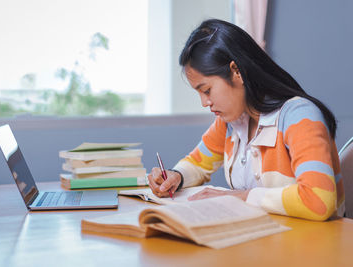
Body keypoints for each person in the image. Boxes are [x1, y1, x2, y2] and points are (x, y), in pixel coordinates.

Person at [147, 19, 344, 221]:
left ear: (236, 71)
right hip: (265, 239)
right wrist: (175, 176)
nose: (204, 103)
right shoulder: (231, 123)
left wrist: (239, 197)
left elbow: (318, 199)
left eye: (207, 90)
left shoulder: (299, 116)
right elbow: (197, 163)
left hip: (314, 245)